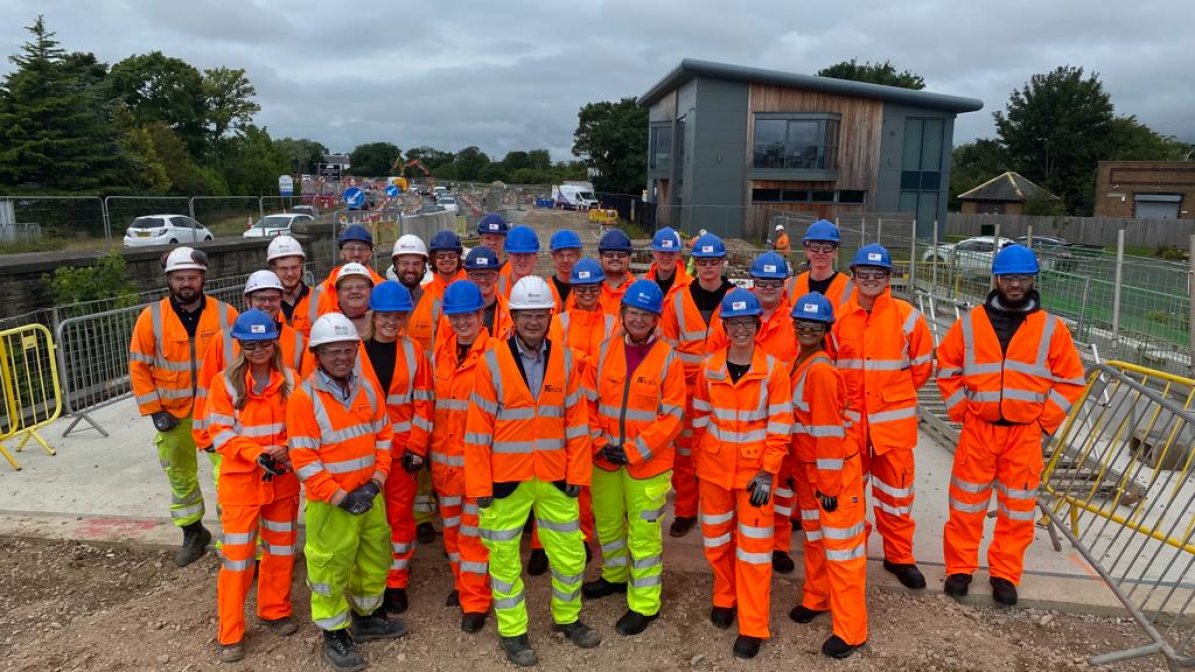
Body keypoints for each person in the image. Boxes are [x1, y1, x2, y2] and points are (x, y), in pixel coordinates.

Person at [937, 244, 1085, 606]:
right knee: (965, 506)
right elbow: (946, 368)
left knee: (1017, 509)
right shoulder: (970, 323)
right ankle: (960, 568)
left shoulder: (1052, 329)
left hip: (1024, 434)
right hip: (979, 430)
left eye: (1023, 277)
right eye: (1009, 277)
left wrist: (1044, 424)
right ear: (997, 279)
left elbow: (1071, 380)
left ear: (1033, 279)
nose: (1015, 285)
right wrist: (962, 412)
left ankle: (1004, 574)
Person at [464, 276, 599, 667]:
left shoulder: (566, 359)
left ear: (550, 316)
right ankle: (513, 632)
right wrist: (479, 484)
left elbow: (577, 423)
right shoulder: (492, 361)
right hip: (505, 481)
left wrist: (578, 475)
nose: (534, 321)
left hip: (556, 477)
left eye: (541, 314)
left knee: (571, 556)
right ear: (514, 316)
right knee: (504, 561)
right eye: (527, 314)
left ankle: (568, 618)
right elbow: (477, 431)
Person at [288, 313, 405, 671]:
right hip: (332, 504)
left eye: (347, 350)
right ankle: (334, 632)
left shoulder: (367, 388)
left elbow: (385, 436)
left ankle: (367, 616)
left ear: (356, 350)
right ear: (317, 355)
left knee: (374, 559)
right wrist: (341, 497)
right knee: (330, 569)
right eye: (332, 351)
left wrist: (376, 482)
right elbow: (304, 460)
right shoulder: (303, 399)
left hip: (370, 496)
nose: (341, 357)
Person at [689, 288, 793, 660]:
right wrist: (703, 461)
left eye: (747, 322)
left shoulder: (774, 372)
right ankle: (724, 596)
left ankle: (752, 624)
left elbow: (781, 426)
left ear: (757, 325)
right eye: (734, 323)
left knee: (753, 552)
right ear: (726, 326)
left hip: (755, 477)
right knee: (716, 542)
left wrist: (768, 472)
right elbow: (700, 420)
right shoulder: (710, 368)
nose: (741, 329)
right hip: (715, 472)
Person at [582, 280, 685, 636]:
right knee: (608, 525)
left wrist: (633, 451)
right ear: (622, 314)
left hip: (647, 465)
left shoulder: (668, 359)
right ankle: (615, 575)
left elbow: (672, 417)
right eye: (633, 312)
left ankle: (644, 603)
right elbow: (587, 401)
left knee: (643, 535)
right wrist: (597, 442)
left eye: (646, 315)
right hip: (605, 459)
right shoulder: (604, 350)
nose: (639, 319)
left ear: (656, 319)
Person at [830, 243, 933, 590]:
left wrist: (890, 398)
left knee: (896, 497)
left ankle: (899, 556)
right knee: (851, 498)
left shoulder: (907, 317)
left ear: (889, 278)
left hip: (892, 428)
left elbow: (921, 368)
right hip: (850, 428)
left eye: (878, 275)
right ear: (854, 277)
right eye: (864, 274)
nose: (870, 280)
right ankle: (854, 552)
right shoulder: (838, 319)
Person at [129, 246, 237, 567]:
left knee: (228, 476)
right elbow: (139, 365)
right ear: (169, 281)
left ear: (203, 278)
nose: (186, 283)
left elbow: (239, 363)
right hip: (173, 413)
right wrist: (153, 410)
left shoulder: (225, 314)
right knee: (180, 477)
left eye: (191, 277)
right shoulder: (151, 318)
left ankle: (233, 536)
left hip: (216, 412)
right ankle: (193, 532)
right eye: (179, 278)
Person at [204, 310, 301, 663]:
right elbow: (221, 433)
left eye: (264, 342)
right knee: (238, 561)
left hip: (282, 481)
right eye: (250, 343)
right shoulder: (225, 384)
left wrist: (287, 448)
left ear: (274, 340)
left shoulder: (291, 379)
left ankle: (274, 610)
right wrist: (257, 453)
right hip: (242, 485)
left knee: (279, 551)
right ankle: (230, 632)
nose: (258, 349)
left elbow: (305, 424)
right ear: (240, 345)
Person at [787, 293, 867, 659]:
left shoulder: (819, 371)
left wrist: (830, 486)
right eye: (801, 323)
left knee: (842, 551)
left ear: (825, 330)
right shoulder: (801, 362)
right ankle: (817, 597)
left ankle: (851, 631)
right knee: (817, 542)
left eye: (814, 325)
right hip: (811, 471)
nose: (806, 329)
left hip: (831, 475)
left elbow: (830, 433)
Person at [708, 252, 799, 573]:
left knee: (783, 487)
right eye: (762, 282)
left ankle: (778, 545)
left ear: (784, 284)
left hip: (782, 418)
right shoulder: (737, 312)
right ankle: (746, 542)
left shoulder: (794, 323)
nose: (768, 288)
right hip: (741, 420)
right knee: (743, 495)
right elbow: (715, 358)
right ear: (753, 282)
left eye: (775, 282)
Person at [359, 281, 433, 616]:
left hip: (403, 454)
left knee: (400, 519)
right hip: (363, 455)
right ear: (374, 314)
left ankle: (397, 582)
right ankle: (370, 581)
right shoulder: (354, 352)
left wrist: (418, 447)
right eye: (386, 315)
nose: (392, 321)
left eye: (399, 316)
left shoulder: (413, 350)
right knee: (369, 522)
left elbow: (424, 402)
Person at [429, 280, 494, 633]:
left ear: (480, 314)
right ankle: (462, 585)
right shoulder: (440, 354)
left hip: (479, 467)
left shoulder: (496, 355)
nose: (462, 322)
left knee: (473, 539)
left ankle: (476, 601)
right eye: (455, 317)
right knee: (452, 536)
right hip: (444, 466)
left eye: (467, 315)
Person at [194, 271, 314, 460]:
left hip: (281, 450)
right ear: (247, 300)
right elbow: (206, 387)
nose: (267, 304)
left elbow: (304, 398)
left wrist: (289, 446)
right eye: (260, 298)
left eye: (273, 298)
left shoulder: (298, 341)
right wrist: (204, 435)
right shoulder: (223, 339)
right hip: (232, 443)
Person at [661, 232, 735, 538]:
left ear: (722, 263)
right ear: (695, 263)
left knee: (725, 451)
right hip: (687, 391)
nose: (708, 267)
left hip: (727, 390)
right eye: (702, 261)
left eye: (714, 261)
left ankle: (723, 511)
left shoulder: (736, 300)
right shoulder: (677, 300)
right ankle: (686, 510)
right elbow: (666, 350)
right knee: (685, 453)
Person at [409, 230, 467, 357]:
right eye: (441, 256)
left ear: (458, 257)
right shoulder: (423, 293)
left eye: (451, 255)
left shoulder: (471, 288)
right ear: (433, 259)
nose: (446, 259)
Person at [440, 246, 512, 347]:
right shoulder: (450, 317)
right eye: (477, 275)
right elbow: (442, 354)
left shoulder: (509, 312)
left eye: (488, 274)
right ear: (468, 277)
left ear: (497, 277)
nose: (482, 280)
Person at [786, 220, 853, 308]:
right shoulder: (790, 285)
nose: (821, 252)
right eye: (815, 247)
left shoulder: (850, 287)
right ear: (807, 251)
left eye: (827, 248)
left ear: (835, 252)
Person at [268, 235, 320, 338]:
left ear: (301, 266)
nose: (290, 273)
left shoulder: (319, 299)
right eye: (283, 268)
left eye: (294, 267)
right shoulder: (266, 304)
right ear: (273, 269)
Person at [320, 224, 385, 294]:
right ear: (341, 253)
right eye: (351, 249)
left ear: (370, 253)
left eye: (362, 249)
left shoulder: (383, 288)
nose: (356, 254)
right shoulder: (321, 292)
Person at [318, 262, 375, 336]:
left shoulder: (382, 321)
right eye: (347, 287)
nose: (354, 291)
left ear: (371, 290)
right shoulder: (328, 324)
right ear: (338, 293)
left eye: (361, 287)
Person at [597, 229, 635, 315]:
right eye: (609, 255)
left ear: (630, 258)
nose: (615, 258)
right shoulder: (589, 290)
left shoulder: (638, 290)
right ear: (600, 257)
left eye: (621, 255)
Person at [476, 212, 512, 294]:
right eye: (488, 238)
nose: (492, 243)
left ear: (504, 240)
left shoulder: (512, 270)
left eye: (497, 238)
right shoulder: (472, 271)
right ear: (480, 240)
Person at [547, 229, 582, 311]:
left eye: (570, 255)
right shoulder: (545, 289)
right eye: (560, 255)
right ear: (553, 257)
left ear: (579, 256)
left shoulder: (586, 289)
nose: (565, 260)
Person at [502, 225, 540, 298]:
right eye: (517, 254)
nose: (522, 260)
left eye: (527, 255)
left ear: (536, 257)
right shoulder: (501, 284)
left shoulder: (541, 289)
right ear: (508, 256)